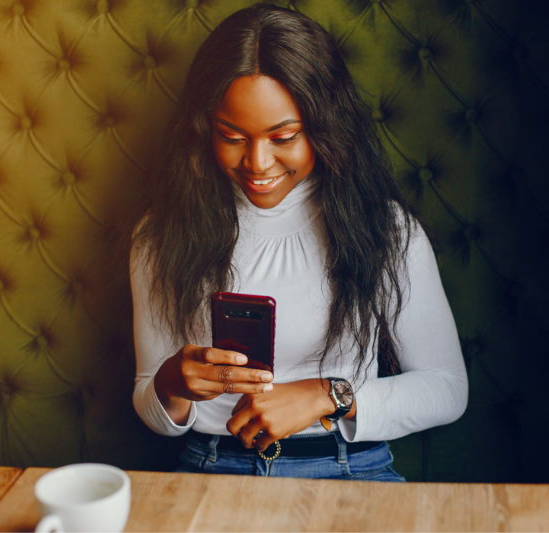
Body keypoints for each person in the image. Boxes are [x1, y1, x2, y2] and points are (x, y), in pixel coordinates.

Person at [130, 3, 467, 481]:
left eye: (283, 136)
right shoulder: (160, 235)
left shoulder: (386, 229)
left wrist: (327, 395)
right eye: (232, 136)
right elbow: (153, 405)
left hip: (352, 466)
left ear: (326, 126)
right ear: (205, 128)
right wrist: (170, 383)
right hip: (213, 464)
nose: (258, 163)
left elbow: (448, 389)